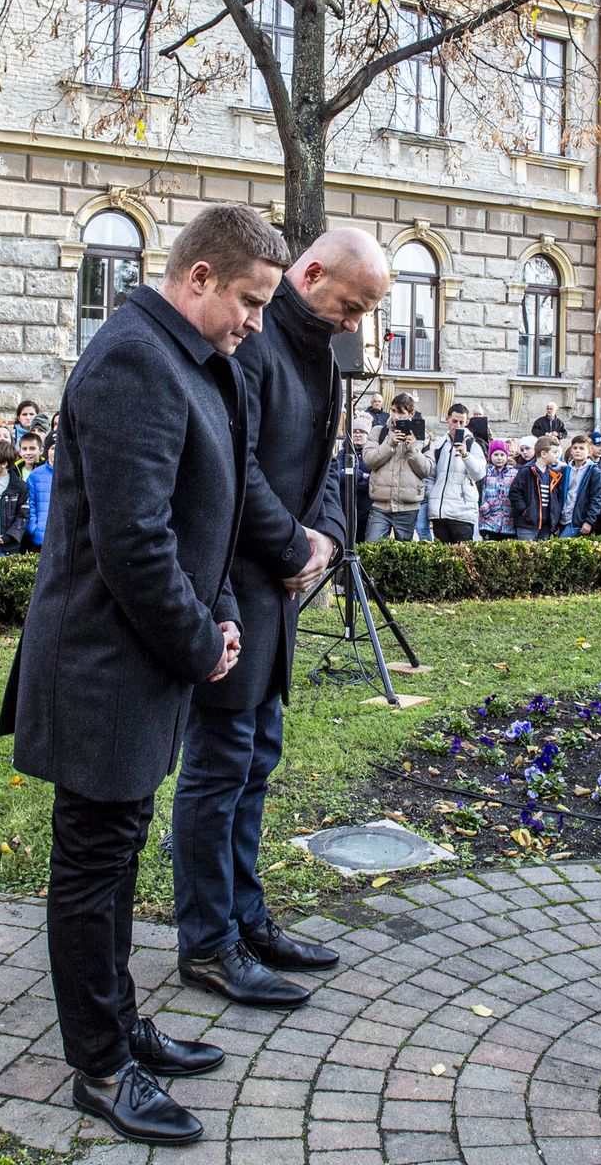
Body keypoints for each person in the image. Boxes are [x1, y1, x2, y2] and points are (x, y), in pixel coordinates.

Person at [0, 204, 289, 1147]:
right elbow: (133, 542)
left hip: (142, 659)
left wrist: (228, 612)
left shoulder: (199, 359)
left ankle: (119, 1021)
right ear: (198, 276)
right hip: (101, 664)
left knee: (117, 854)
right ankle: (102, 1066)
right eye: (246, 301)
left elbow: (214, 508)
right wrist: (202, 644)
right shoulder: (134, 358)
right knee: (92, 864)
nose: (253, 323)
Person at [173, 227, 384, 1016]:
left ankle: (248, 919)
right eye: (351, 306)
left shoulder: (324, 352)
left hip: (283, 589)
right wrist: (295, 542)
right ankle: (209, 944)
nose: (355, 324)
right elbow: (237, 465)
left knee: (255, 760)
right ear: (313, 272)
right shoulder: (252, 340)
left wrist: (326, 536)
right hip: (235, 587)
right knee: (219, 768)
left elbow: (329, 461)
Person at [361, 396, 430, 541]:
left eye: (401, 413)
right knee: (372, 550)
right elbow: (369, 461)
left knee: (404, 558)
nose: (396, 417)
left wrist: (412, 451)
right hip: (380, 505)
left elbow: (426, 470)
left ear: (411, 414)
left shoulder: (421, 435)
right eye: (393, 411)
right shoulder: (379, 432)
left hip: (408, 507)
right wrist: (390, 444)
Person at [420, 403, 485, 543]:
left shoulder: (474, 445)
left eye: (462, 422)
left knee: (462, 558)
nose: (457, 425)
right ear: (447, 419)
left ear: (467, 422)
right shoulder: (439, 444)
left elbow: (479, 474)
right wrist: (432, 494)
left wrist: (465, 455)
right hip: (440, 512)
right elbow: (430, 475)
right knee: (442, 559)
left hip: (462, 513)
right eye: (454, 421)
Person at [508, 436, 565, 540]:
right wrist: (525, 511)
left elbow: (557, 498)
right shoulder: (526, 471)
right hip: (527, 524)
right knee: (526, 554)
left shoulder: (554, 474)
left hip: (546, 526)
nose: (557, 455)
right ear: (543, 454)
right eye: (554, 452)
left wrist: (555, 519)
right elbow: (514, 493)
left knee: (543, 555)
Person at [556, 435, 601, 538]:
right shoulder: (565, 470)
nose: (578, 451)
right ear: (571, 450)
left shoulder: (593, 471)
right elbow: (560, 494)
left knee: (560, 545)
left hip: (579, 520)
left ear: (589, 452)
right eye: (575, 448)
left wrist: (589, 521)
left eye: (582, 448)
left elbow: (596, 498)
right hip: (563, 517)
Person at [333, 422, 373, 544]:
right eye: (355, 432)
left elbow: (370, 483)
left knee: (362, 543)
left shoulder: (371, 455)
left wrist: (349, 479)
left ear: (367, 435)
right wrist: (361, 474)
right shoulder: (342, 453)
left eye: (361, 432)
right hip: (345, 508)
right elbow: (338, 476)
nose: (358, 435)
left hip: (364, 510)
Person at [477, 441, 516, 540]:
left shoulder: (514, 473)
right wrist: (484, 508)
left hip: (508, 524)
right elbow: (479, 491)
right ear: (490, 456)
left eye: (502, 455)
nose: (499, 458)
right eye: (496, 454)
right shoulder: (485, 471)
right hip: (488, 522)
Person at [23, 442, 54, 551]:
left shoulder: (74, 473)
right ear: (47, 451)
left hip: (65, 537)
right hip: (40, 538)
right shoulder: (35, 475)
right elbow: (30, 504)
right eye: (53, 448)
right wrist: (34, 528)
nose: (56, 452)